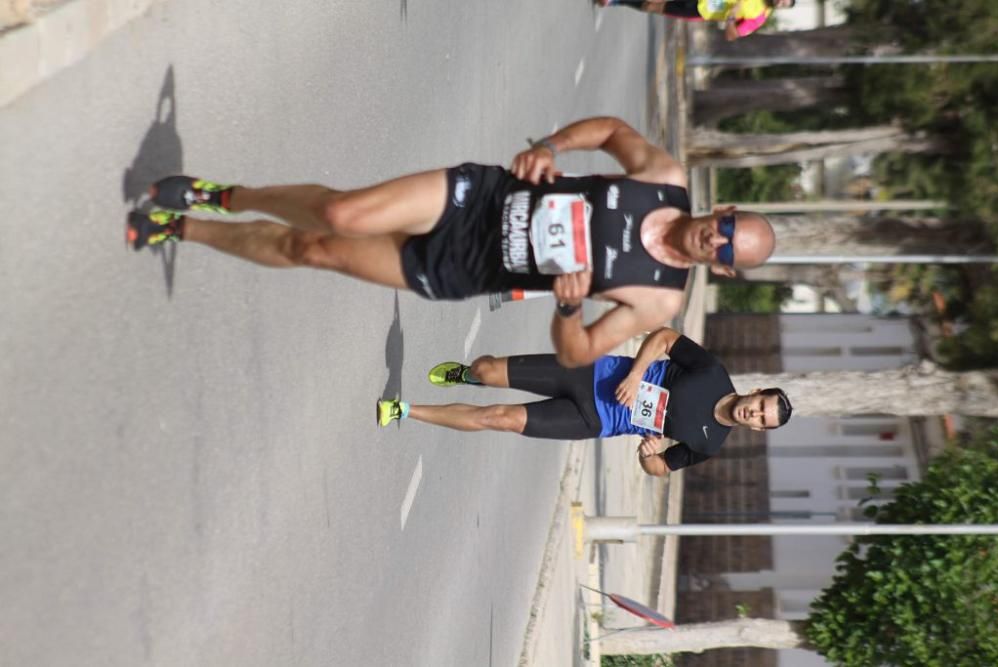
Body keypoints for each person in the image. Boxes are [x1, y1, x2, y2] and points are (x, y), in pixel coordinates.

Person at [127, 116, 775, 366]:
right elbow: (610, 130)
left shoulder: (658, 300)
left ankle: (184, 227)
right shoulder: (663, 179)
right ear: (722, 208)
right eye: (724, 227)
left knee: (315, 251)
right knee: (342, 213)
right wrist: (549, 148)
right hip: (485, 197)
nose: (711, 239)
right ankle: (224, 195)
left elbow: (579, 354)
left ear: (721, 271)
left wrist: (572, 308)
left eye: (724, 250)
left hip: (466, 267)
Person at [375, 327, 792, 475]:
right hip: (593, 372)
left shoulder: (708, 444)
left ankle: (406, 410)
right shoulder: (712, 372)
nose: (754, 412)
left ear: (757, 428)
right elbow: (665, 337)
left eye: (761, 419)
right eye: (761, 404)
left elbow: (660, 469)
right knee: (487, 371)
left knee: (498, 418)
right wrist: (633, 374)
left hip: (592, 419)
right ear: (756, 392)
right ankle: (467, 375)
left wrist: (648, 454)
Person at [598, 0, 796, 41]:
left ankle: (616, 1)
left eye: (783, 4)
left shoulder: (759, 17)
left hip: (700, 10)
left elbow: (732, 35)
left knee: (652, 6)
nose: (780, 2)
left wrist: (731, 17)